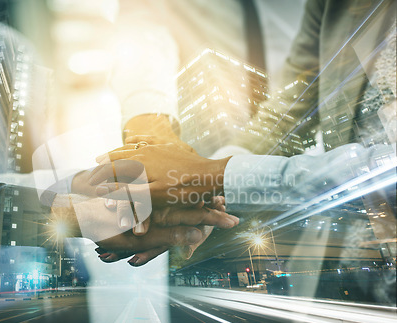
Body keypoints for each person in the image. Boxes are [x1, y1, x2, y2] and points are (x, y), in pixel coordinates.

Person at [88, 0, 396, 266]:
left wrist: (217, 176)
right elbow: (286, 112)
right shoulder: (330, 7)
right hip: (372, 237)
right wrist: (201, 185)